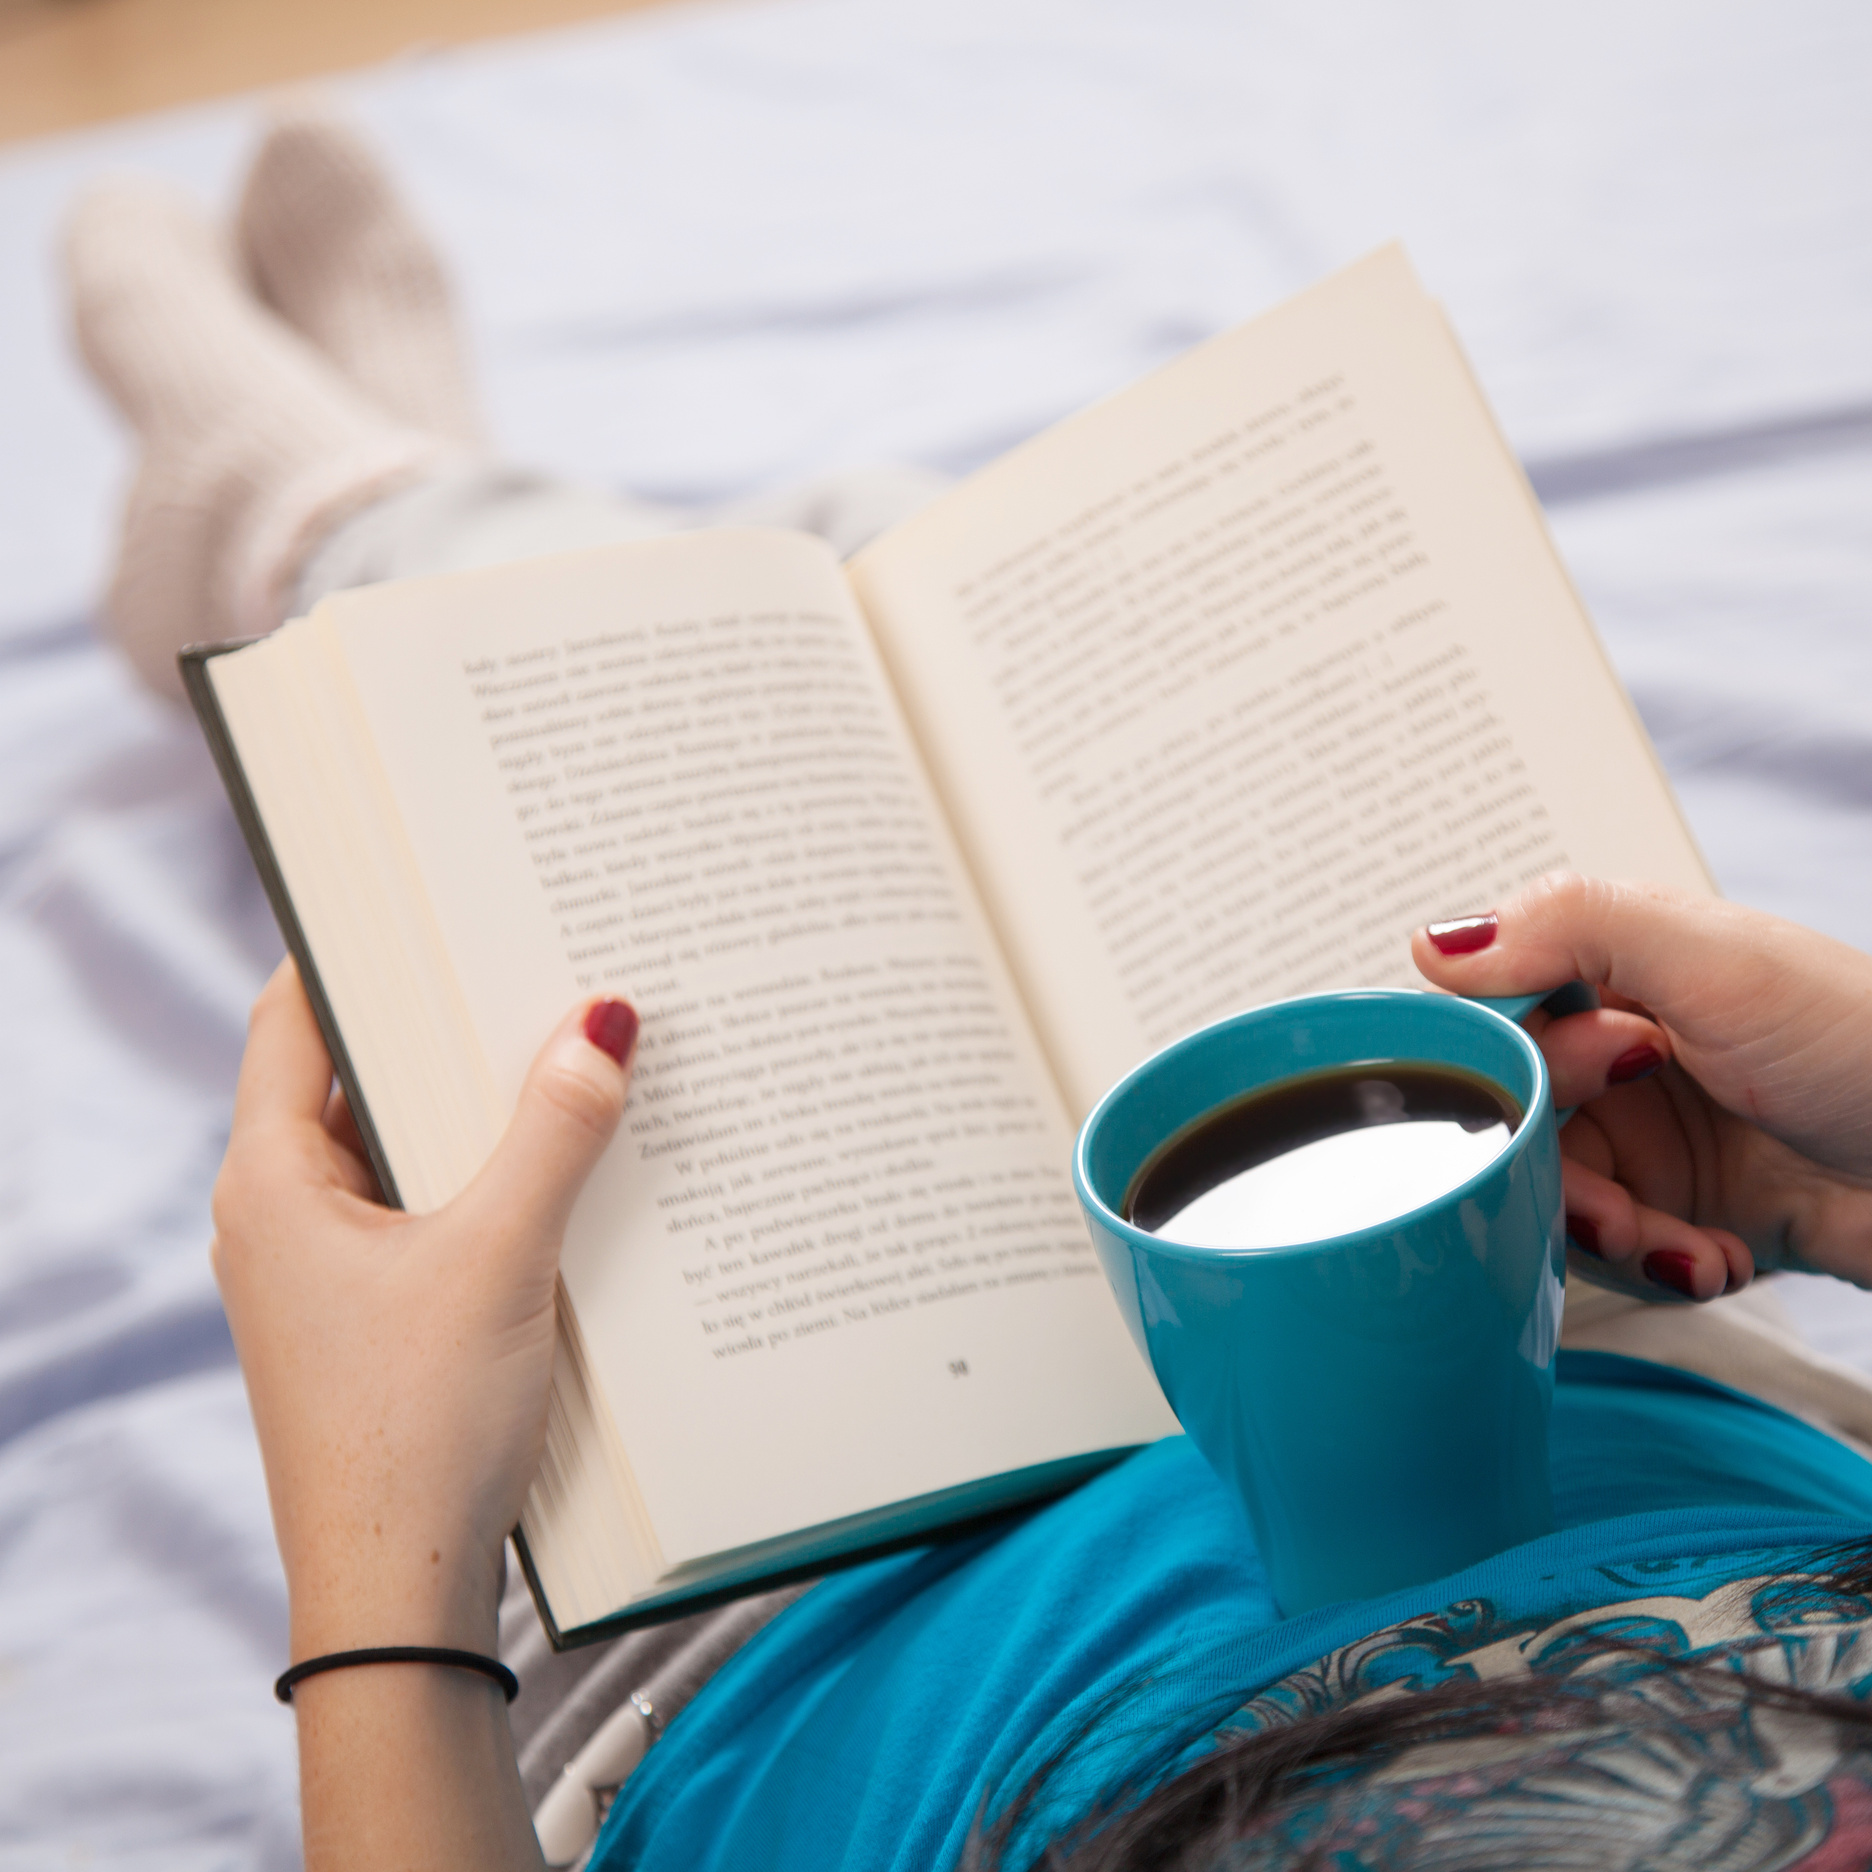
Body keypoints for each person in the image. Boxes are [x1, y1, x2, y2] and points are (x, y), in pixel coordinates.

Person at [65, 112, 1872, 1872]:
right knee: (1008, 655)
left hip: (800, 1602)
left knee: (643, 770)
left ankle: (319, 506)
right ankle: (397, 505)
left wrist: (373, 1560)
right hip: (1547, 1336)